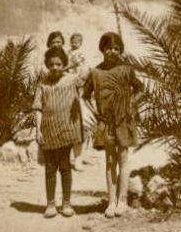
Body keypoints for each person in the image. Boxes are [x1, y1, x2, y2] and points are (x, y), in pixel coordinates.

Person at [83, 32, 143, 218]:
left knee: (123, 158)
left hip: (124, 121)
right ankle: (111, 202)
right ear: (102, 49)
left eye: (117, 48)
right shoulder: (95, 72)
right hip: (106, 122)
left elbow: (140, 89)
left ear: (121, 50)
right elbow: (85, 96)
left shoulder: (127, 69)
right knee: (110, 161)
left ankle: (122, 201)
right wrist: (95, 113)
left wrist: (131, 103)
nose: (113, 51)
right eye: (109, 48)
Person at [32, 45, 83, 218]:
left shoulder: (71, 80)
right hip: (48, 131)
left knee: (66, 168)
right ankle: (51, 204)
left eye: (59, 64)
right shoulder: (42, 84)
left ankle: (66, 204)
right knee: (50, 169)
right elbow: (38, 108)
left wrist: (74, 64)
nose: (55, 67)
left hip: (66, 131)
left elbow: (85, 76)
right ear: (47, 64)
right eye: (52, 64)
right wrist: (38, 130)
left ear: (64, 65)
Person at [67, 33, 88, 172]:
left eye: (77, 42)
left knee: (82, 126)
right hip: (70, 82)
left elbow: (83, 66)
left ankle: (79, 159)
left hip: (80, 83)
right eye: (73, 42)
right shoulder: (68, 53)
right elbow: (67, 66)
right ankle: (71, 159)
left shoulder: (81, 53)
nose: (75, 44)